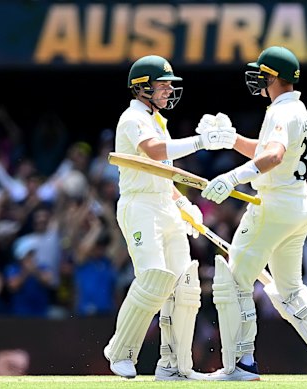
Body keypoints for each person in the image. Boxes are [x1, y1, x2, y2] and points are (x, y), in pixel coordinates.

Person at [200, 46, 307, 381]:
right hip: (297, 207)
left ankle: (241, 364)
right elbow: (266, 149)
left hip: (272, 206)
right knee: (290, 287)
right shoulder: (294, 109)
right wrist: (232, 139)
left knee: (233, 279)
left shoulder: (283, 112)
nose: (258, 80)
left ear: (275, 78)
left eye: (262, 74)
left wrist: (232, 177)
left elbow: (274, 156)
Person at [102, 54, 236, 381]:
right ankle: (120, 351)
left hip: (164, 204)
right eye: (162, 86)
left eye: (168, 86)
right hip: (140, 207)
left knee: (184, 283)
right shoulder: (132, 118)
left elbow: (163, 174)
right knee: (154, 277)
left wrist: (183, 204)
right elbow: (156, 152)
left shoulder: (156, 119)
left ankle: (174, 364)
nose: (167, 91)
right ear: (142, 88)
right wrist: (202, 142)